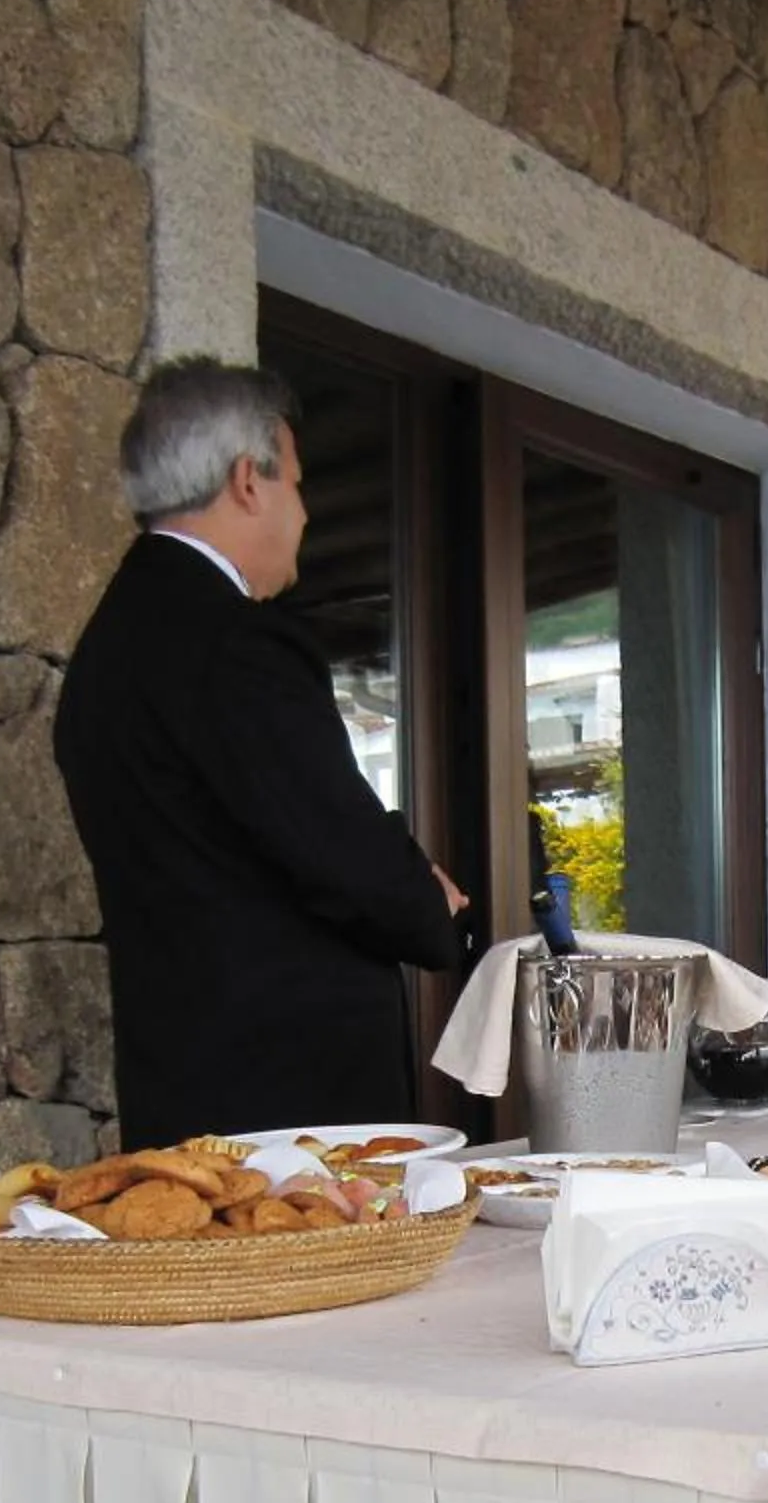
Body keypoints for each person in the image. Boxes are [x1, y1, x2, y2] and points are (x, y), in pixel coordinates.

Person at [56, 358, 469, 1147]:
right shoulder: (235, 642)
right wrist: (426, 898)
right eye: (298, 486)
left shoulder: (105, 652)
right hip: (289, 1116)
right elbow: (332, 845)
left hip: (178, 1094)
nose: (306, 515)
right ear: (250, 480)